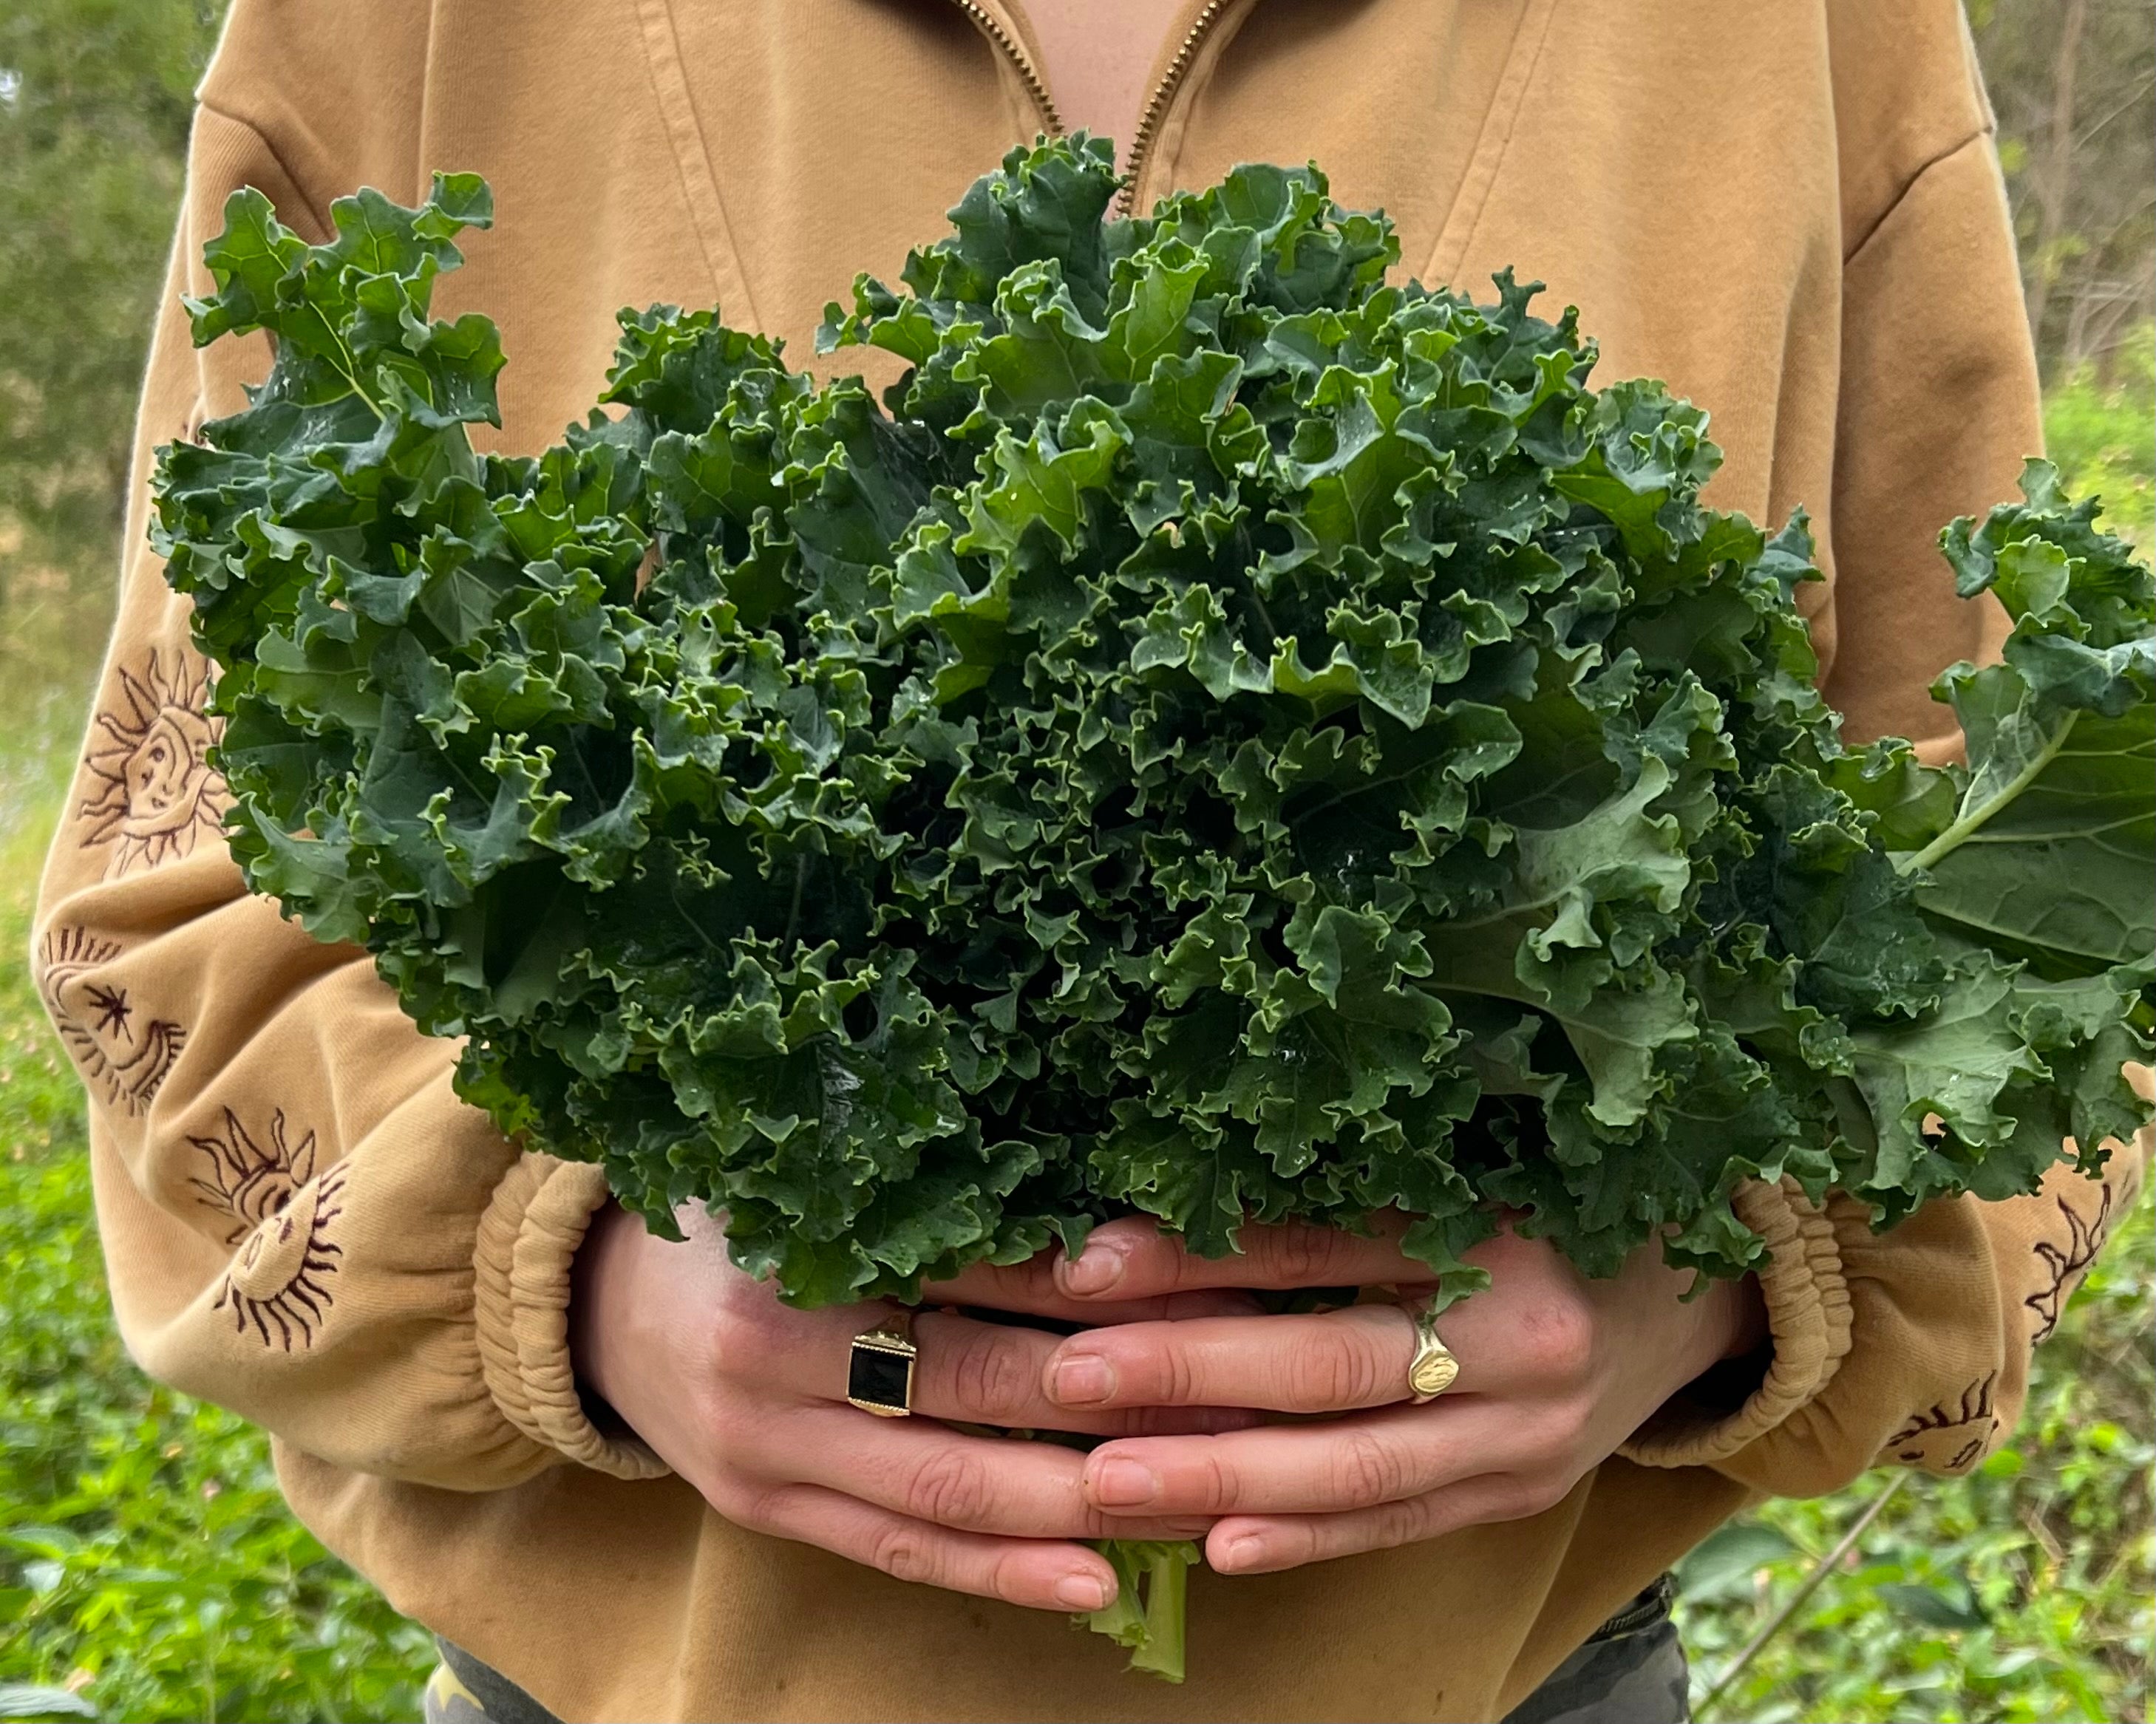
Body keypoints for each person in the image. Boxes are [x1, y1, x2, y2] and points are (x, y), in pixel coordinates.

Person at [33, 1, 2149, 1720]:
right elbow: (172, 923)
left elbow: (2030, 888)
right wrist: (560, 1272)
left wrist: (1723, 1277)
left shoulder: (1809, 30)